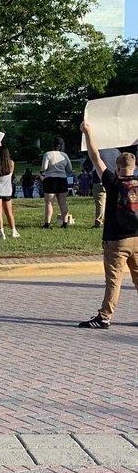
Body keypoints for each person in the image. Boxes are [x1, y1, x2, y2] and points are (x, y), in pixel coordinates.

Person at [78, 122, 138, 329]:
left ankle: (104, 316)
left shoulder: (113, 182)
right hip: (137, 239)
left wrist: (87, 132)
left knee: (114, 281)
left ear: (117, 168)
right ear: (135, 167)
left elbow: (95, 157)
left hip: (116, 240)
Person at [40, 137, 72, 228]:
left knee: (49, 202)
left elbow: (44, 168)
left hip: (50, 179)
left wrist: (42, 172)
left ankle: (47, 223)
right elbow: (69, 169)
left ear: (52, 145)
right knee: (62, 202)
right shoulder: (64, 155)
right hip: (62, 179)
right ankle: (65, 223)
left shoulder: (47, 154)